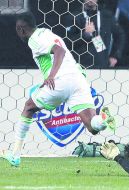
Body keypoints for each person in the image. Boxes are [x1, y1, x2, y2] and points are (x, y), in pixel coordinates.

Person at [1, 11, 116, 167]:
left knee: (28, 107)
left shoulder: (34, 40)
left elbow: (59, 51)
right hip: (78, 78)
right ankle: (103, 120)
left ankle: (15, 155)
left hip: (60, 81)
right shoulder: (47, 32)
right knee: (93, 127)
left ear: (21, 29)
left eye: (17, 29)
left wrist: (51, 76)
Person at [64, 0, 125, 68]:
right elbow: (67, 42)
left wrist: (115, 56)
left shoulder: (106, 16)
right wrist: (85, 35)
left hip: (101, 64)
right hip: (80, 65)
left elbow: (120, 35)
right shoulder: (73, 16)